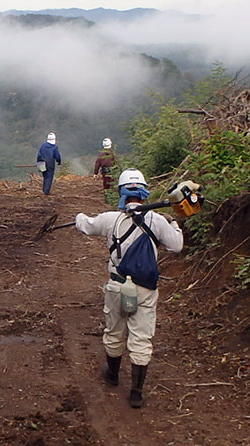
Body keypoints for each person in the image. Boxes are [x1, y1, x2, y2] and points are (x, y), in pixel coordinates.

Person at [73, 168, 184, 408]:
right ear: (145, 192)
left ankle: (112, 375)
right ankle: (136, 392)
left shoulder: (110, 219)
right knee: (141, 338)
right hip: (145, 288)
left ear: (122, 193)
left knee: (114, 332)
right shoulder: (158, 220)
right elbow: (176, 246)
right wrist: (174, 222)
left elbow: (87, 225)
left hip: (118, 286)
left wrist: (78, 217)